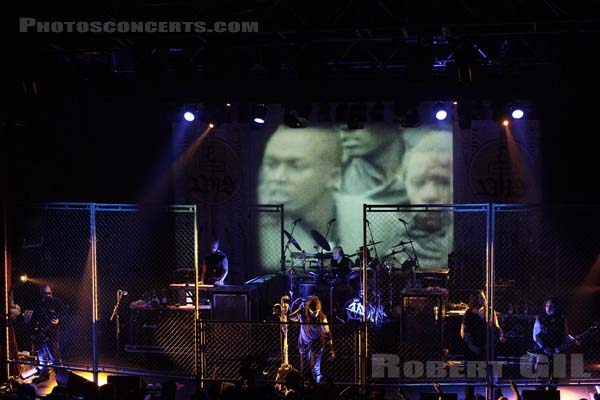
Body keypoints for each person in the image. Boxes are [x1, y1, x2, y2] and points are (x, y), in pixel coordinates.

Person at [258, 125, 341, 271]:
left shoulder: (362, 220)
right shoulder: (262, 229)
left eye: (295, 166)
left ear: (333, 176)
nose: (278, 178)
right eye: (271, 164)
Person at [395, 129, 453, 269]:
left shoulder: (468, 242)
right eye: (418, 182)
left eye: (443, 182)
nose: (430, 195)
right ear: (404, 182)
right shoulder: (391, 244)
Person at [289, 296, 335, 383]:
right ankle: (305, 384)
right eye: (312, 311)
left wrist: (331, 349)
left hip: (317, 342)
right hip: (304, 341)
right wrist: (298, 311)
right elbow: (291, 318)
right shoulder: (302, 312)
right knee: (304, 365)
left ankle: (316, 384)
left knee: (316, 366)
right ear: (308, 308)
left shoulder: (321, 316)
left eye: (316, 311)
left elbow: (327, 333)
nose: (315, 314)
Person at [532, 296, 575, 389]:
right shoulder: (540, 318)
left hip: (557, 350)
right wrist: (544, 348)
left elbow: (566, 334)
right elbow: (536, 336)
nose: (548, 307)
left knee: (555, 379)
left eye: (551, 305)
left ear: (556, 306)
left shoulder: (562, 319)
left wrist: (574, 339)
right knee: (541, 380)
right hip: (543, 352)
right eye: (547, 305)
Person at [30, 285, 64, 382]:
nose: (48, 295)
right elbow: (33, 319)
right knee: (41, 357)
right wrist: (33, 333)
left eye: (49, 293)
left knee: (55, 357)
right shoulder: (39, 304)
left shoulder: (56, 301)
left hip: (52, 334)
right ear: (41, 294)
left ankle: (61, 379)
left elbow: (63, 312)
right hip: (41, 334)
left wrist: (58, 319)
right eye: (45, 293)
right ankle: (44, 375)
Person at [460, 290, 505, 362]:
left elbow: (497, 326)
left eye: (483, 297)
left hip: (487, 344)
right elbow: (463, 332)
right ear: (474, 300)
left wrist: (500, 335)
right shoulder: (469, 313)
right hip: (474, 344)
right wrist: (472, 346)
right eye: (479, 298)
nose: (482, 300)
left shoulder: (490, 311)